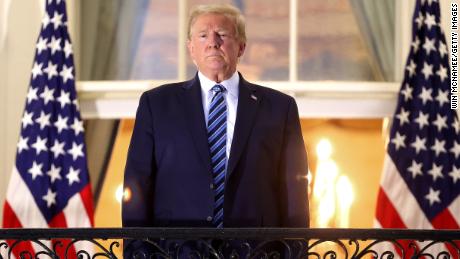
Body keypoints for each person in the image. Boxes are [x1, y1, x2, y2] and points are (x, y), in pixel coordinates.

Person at [122, 3, 309, 258]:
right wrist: (137, 253)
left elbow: (294, 192)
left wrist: (296, 253)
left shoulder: (279, 108)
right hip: (176, 252)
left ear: (241, 46)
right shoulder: (156, 105)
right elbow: (137, 185)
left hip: (257, 252)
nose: (212, 42)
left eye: (222, 34)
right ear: (191, 48)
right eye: (202, 35)